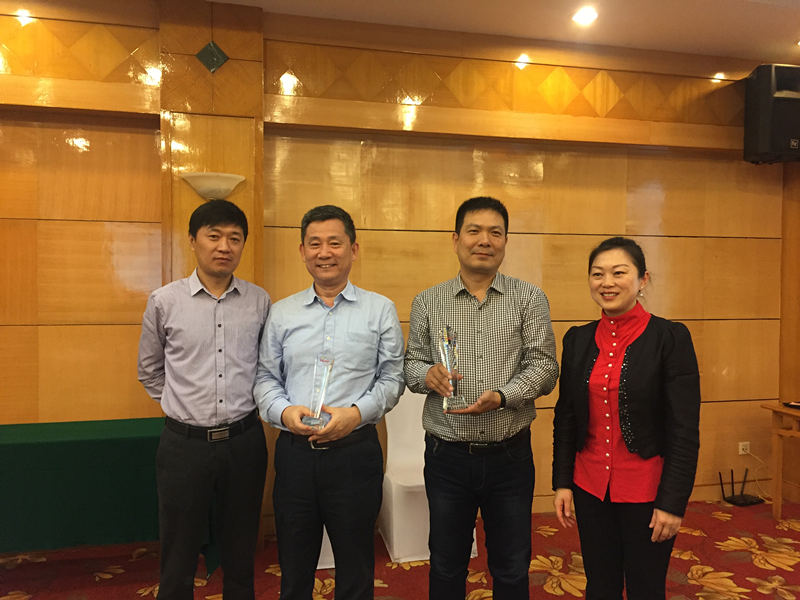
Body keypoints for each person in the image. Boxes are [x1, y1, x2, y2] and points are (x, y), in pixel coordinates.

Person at [404, 196, 559, 600]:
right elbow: (410, 366)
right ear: (456, 239)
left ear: (506, 241)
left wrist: (505, 396)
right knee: (446, 562)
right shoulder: (428, 301)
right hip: (447, 456)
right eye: (474, 231)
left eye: (495, 233)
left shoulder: (529, 298)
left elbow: (545, 367)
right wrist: (427, 374)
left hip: (510, 456)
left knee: (511, 564)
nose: (484, 240)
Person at [254, 204, 405, 600]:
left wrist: (356, 415)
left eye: (335, 243)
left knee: (356, 569)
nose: (325, 253)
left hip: (355, 456)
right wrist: (285, 412)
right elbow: (265, 378)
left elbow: (393, 378)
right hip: (295, 456)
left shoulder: (380, 310)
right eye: (315, 243)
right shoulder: (282, 313)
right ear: (302, 251)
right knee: (294, 569)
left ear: (353, 249)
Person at [552, 236, 701, 600]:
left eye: (619, 273)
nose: (607, 282)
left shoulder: (670, 338)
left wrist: (672, 502)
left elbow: (684, 430)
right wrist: (562, 482)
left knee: (645, 587)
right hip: (590, 487)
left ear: (642, 279)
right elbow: (566, 416)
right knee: (599, 585)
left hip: (647, 490)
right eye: (598, 274)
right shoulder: (577, 340)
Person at [137, 199, 270, 600]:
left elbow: (266, 367)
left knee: (241, 546)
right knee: (178, 550)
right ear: (193, 240)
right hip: (184, 445)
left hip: (244, 442)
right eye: (214, 236)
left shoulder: (259, 301)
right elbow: (149, 370)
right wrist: (183, 406)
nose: (224, 246)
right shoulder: (164, 301)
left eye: (234, 238)